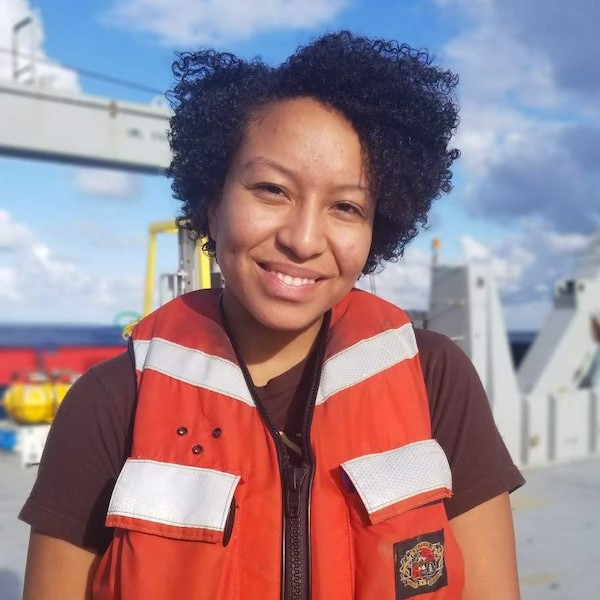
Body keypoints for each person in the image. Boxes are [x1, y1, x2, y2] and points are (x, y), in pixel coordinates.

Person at [20, 31, 524, 600]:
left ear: (376, 229)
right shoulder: (111, 405)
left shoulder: (435, 379)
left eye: (346, 206)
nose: (304, 239)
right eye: (271, 189)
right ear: (213, 200)